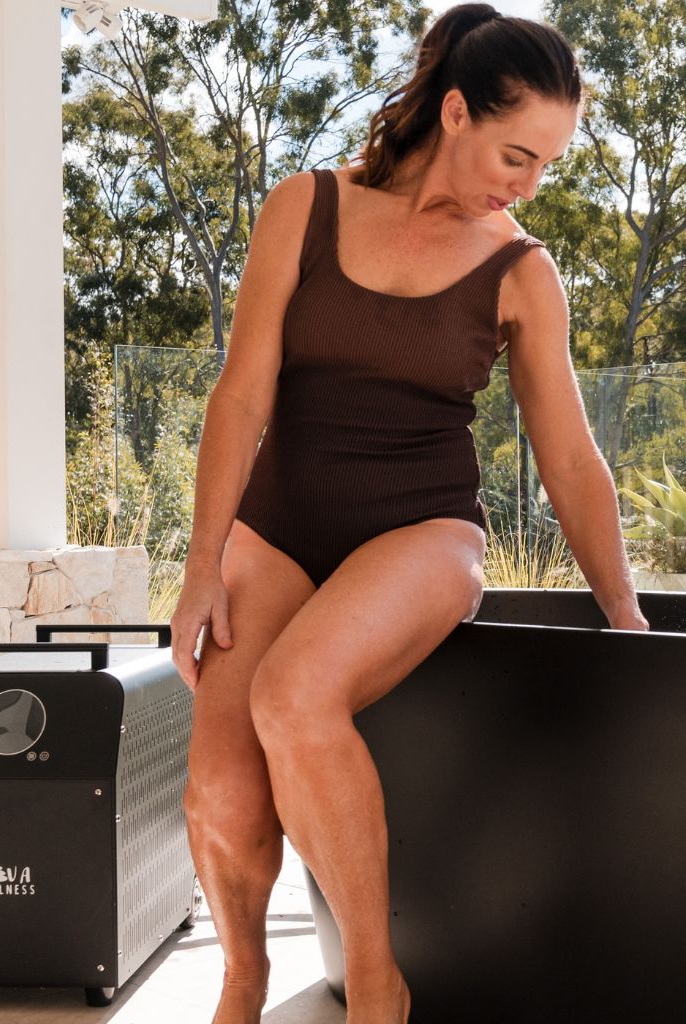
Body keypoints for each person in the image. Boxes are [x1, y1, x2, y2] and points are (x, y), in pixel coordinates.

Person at [169, 4, 650, 1024]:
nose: (525, 185)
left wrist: (626, 616)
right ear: (455, 110)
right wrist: (199, 562)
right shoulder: (302, 206)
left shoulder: (519, 270)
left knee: (295, 700)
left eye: (545, 167)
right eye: (516, 154)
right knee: (221, 790)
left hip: (420, 525)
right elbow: (241, 394)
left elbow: (568, 457)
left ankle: (378, 986)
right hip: (279, 524)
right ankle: (242, 975)